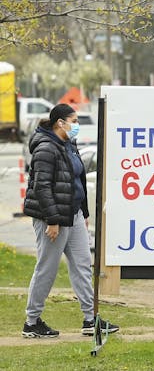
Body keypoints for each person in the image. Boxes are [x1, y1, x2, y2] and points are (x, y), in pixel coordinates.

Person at [21, 103, 119, 338]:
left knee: (83, 266)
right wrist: (53, 220)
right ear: (60, 123)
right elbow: (42, 187)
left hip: (72, 215)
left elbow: (77, 182)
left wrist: (82, 213)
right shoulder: (46, 148)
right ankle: (31, 322)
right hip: (52, 219)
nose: (77, 126)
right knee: (47, 269)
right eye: (73, 121)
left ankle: (90, 319)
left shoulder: (68, 145)